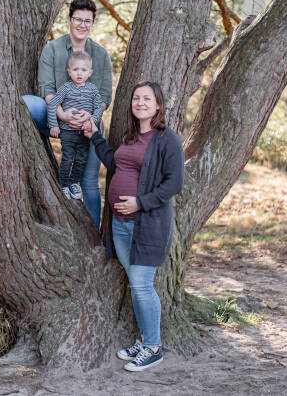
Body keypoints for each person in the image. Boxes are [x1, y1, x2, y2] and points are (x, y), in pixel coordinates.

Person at [83, 81, 184, 372]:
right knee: (136, 285)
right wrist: (95, 136)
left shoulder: (167, 140)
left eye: (147, 98)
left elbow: (173, 183)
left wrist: (140, 203)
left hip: (146, 226)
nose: (140, 102)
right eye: (136, 98)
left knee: (141, 286)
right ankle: (144, 340)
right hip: (120, 225)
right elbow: (115, 163)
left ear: (158, 105)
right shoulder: (129, 138)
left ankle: (153, 348)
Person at [22, 0, 113, 228]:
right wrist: (62, 116)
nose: (82, 24)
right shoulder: (52, 50)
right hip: (56, 117)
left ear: (93, 22)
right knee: (27, 102)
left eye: (87, 21)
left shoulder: (100, 55)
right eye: (78, 19)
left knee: (89, 181)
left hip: (88, 127)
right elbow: (47, 90)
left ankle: (92, 239)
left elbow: (104, 96)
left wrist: (89, 119)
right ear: (69, 19)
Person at [47, 50, 104, 199]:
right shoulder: (66, 88)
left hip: (84, 133)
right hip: (67, 131)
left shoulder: (92, 90)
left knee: (81, 159)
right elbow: (53, 104)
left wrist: (91, 120)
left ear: (90, 72)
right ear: (69, 71)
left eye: (83, 70)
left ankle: (73, 182)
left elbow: (99, 107)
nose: (79, 73)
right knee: (67, 158)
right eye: (75, 69)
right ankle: (64, 185)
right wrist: (54, 125)